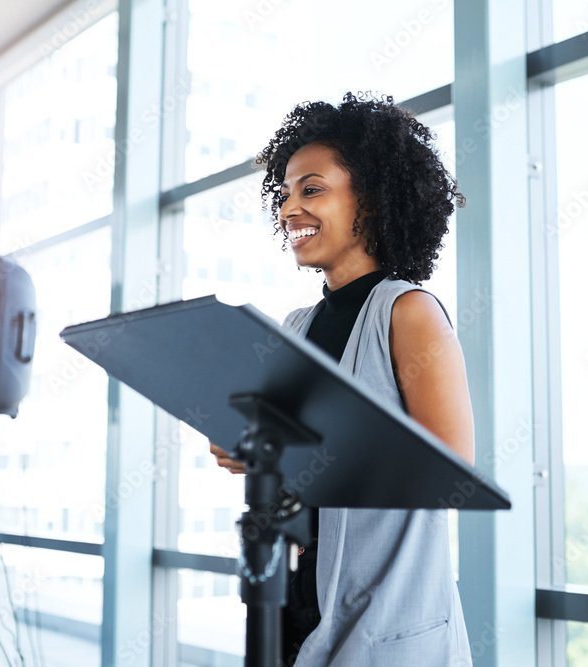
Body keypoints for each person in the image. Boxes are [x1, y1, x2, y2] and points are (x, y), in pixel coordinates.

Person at [210, 92, 475, 666]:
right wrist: (253, 450)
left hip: (389, 619)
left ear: (374, 201)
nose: (288, 210)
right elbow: (295, 470)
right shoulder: (297, 327)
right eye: (284, 194)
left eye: (311, 189)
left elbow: (450, 467)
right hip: (298, 605)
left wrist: (309, 448)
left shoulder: (407, 312)